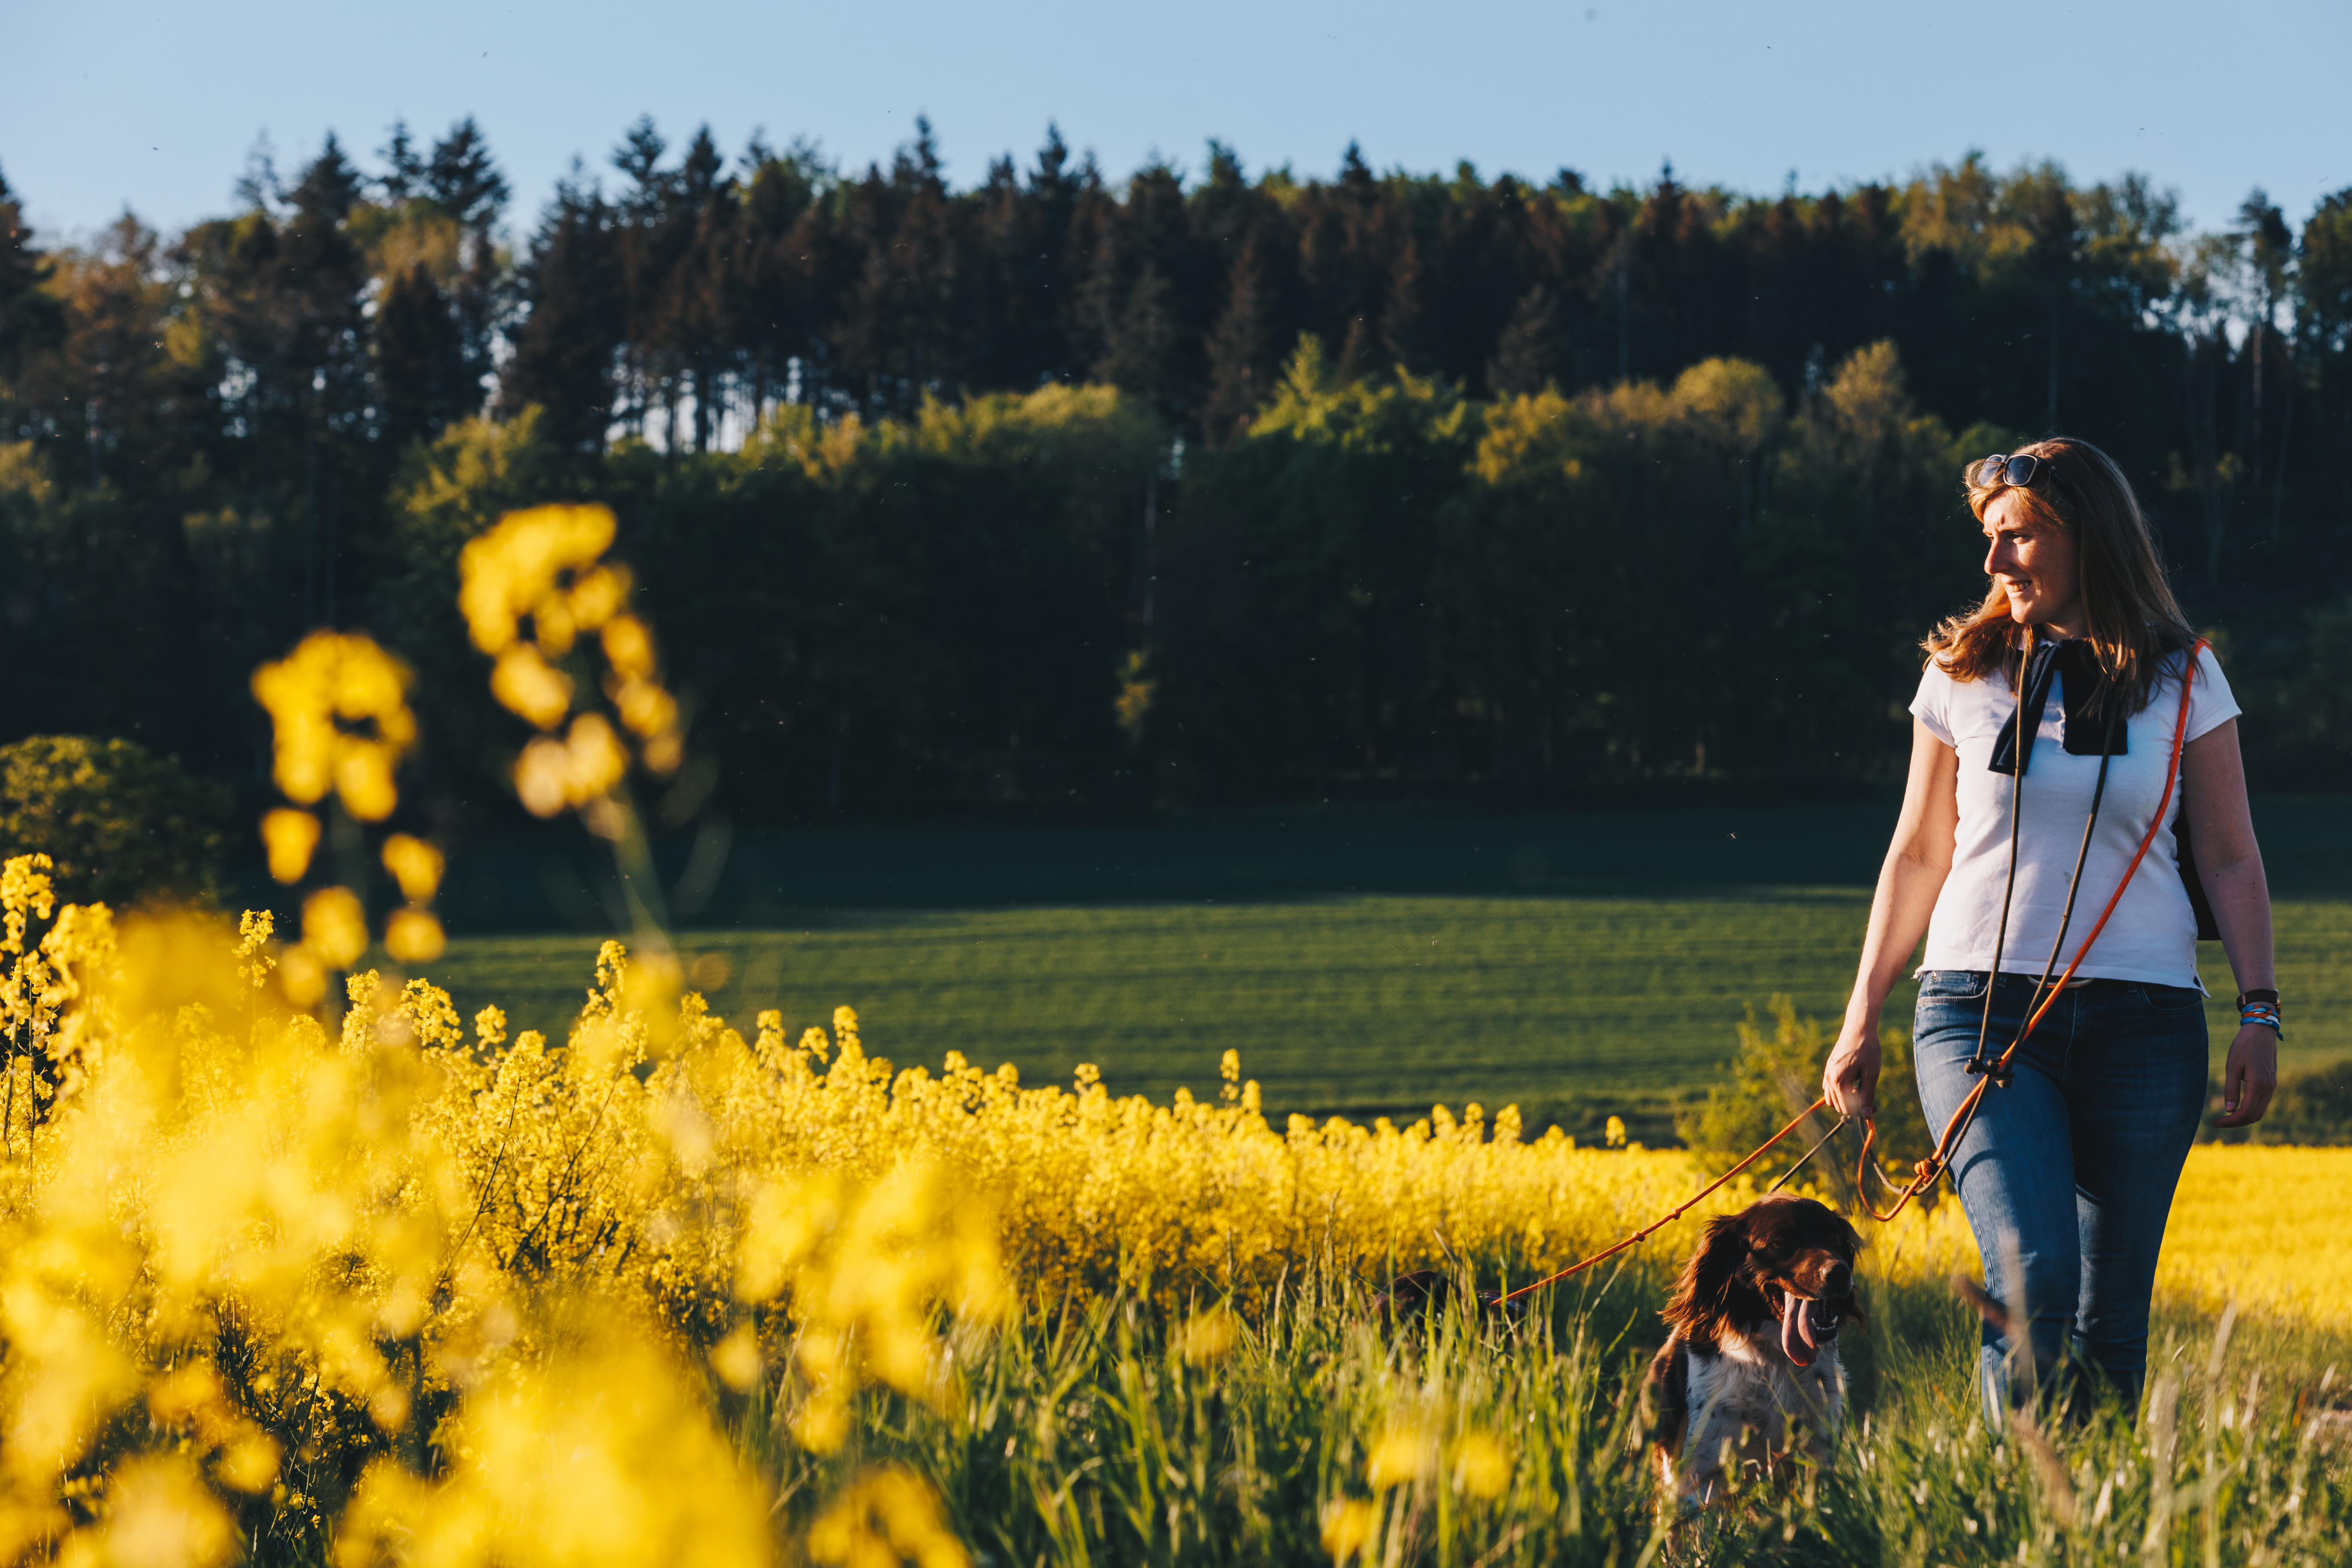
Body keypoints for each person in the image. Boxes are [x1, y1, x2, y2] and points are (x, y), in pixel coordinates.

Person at [1820, 437, 2278, 1421]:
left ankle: (2088, 1529)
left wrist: (2261, 1011)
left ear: (2088, 538)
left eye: (2018, 537)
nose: (1994, 562)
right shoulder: (1959, 674)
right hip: (1975, 1014)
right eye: (1990, 539)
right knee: (2031, 1274)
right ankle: (2008, 1514)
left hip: (2148, 1025)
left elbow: (2233, 856)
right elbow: (1916, 855)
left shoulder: (2187, 678)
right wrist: (1860, 1016)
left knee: (2110, 1319)